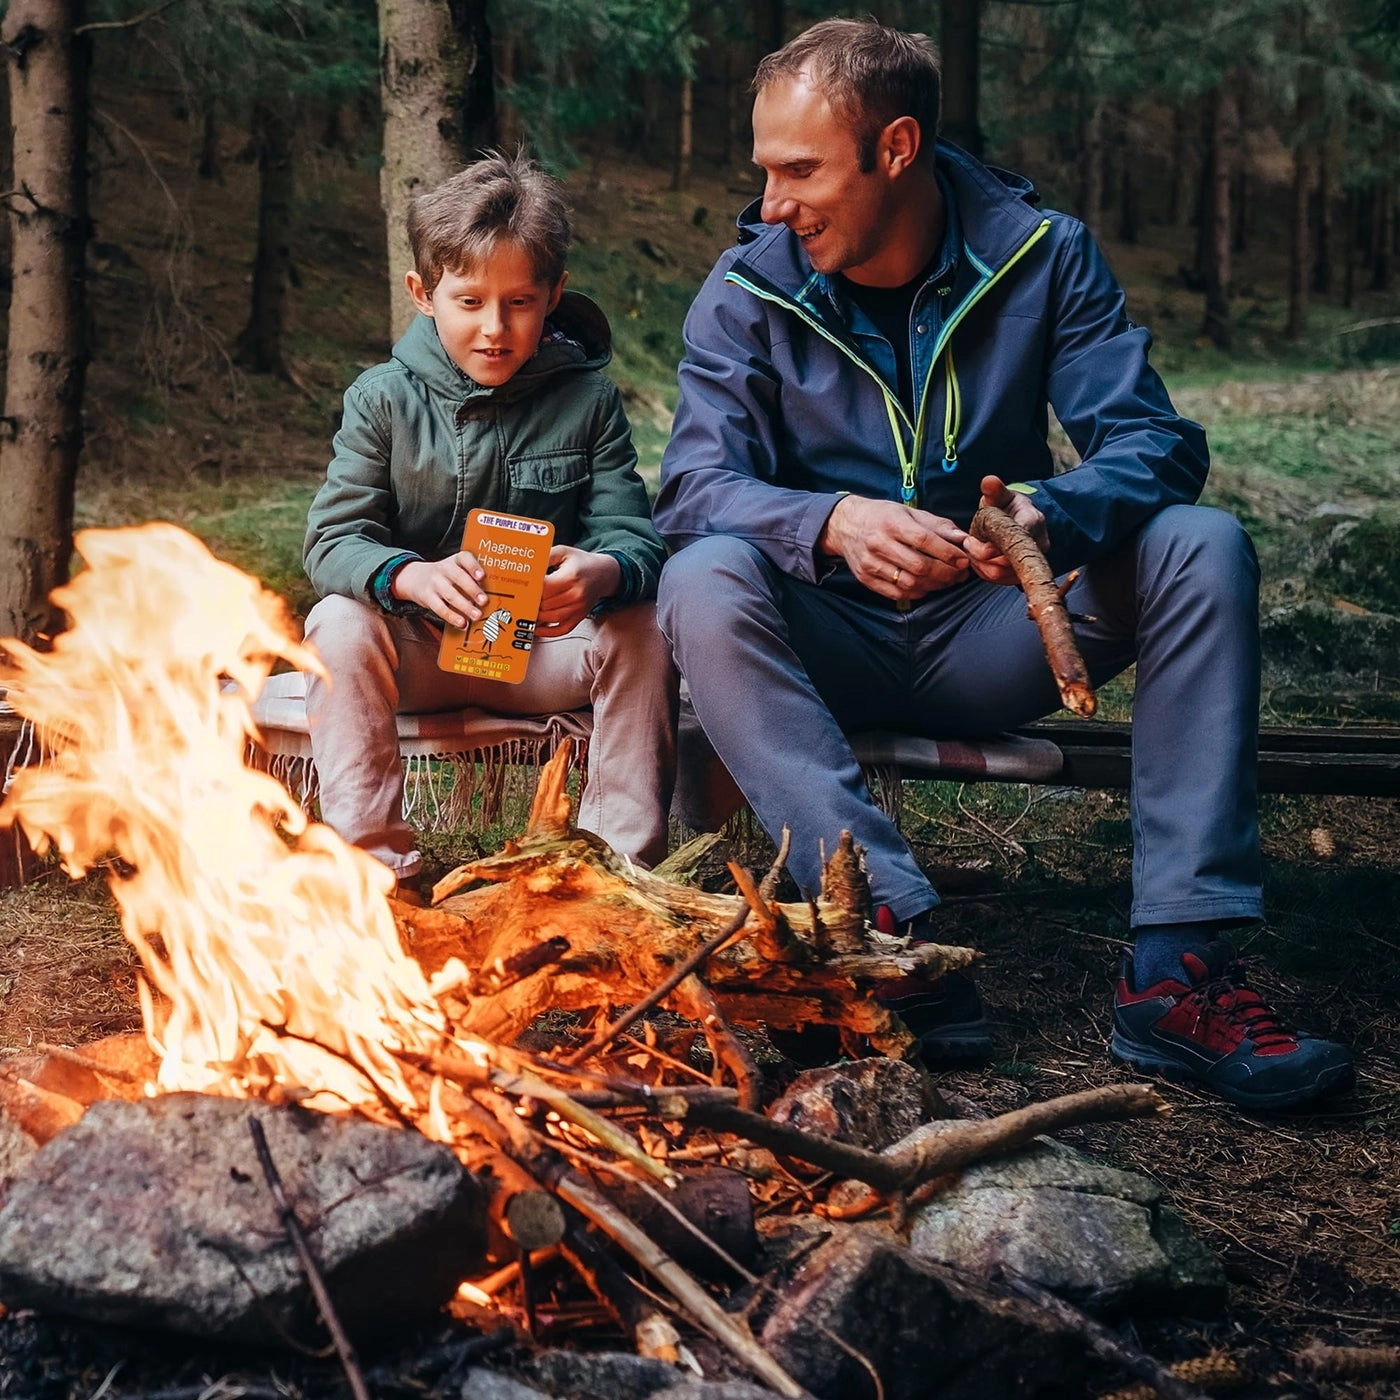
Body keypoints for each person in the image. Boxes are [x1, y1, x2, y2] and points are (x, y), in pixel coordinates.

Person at [652, 19, 1353, 1110]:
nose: (773, 204)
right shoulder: (747, 288)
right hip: (817, 641)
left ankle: (1177, 973)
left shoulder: (1040, 253)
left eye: (799, 171)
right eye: (765, 172)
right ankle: (886, 926)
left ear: (894, 149)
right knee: (699, 576)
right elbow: (691, 490)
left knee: (1199, 545)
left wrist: (1045, 513)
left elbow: (1156, 444)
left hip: (996, 634)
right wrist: (830, 520)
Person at [303, 152, 677, 890]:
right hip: (419, 655)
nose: (495, 330)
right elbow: (330, 541)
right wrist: (407, 576)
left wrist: (603, 570)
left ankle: (618, 875)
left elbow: (635, 539)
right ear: (423, 293)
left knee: (643, 625)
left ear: (554, 293)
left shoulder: (588, 401)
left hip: (543, 653)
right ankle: (376, 875)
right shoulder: (380, 400)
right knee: (337, 623)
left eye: (520, 303)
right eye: (469, 302)